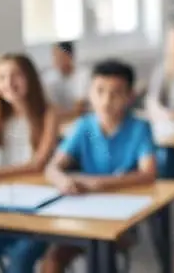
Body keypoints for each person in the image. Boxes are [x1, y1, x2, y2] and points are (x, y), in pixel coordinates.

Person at [43, 60, 158, 273]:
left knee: (104, 256)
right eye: (100, 91)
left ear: (130, 96)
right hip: (84, 213)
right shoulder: (84, 125)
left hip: (124, 217)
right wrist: (63, 180)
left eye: (116, 93)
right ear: (90, 93)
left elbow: (148, 174)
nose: (106, 100)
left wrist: (97, 183)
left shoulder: (139, 128)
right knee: (52, 262)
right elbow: (52, 168)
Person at [0, 53, 58, 273]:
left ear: (30, 78)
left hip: (37, 205)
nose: (9, 84)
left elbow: (38, 165)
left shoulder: (47, 113)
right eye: (2, 78)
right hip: (1, 203)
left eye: (16, 75)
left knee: (21, 258)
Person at [42, 41, 90, 121]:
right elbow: (50, 107)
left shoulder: (84, 74)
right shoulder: (48, 77)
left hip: (82, 119)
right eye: (54, 56)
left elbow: (79, 109)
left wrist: (59, 115)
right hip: (58, 122)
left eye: (60, 56)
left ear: (70, 56)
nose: (56, 60)